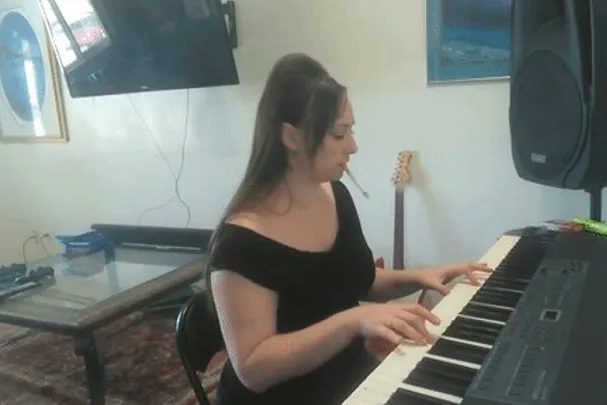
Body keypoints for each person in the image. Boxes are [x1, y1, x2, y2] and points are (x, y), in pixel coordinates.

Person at [205, 53, 491, 405]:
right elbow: (253, 367)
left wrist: (423, 275)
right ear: (291, 137)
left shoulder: (334, 193)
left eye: (351, 130)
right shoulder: (240, 242)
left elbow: (361, 280)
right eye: (340, 133)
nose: (353, 146)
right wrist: (353, 321)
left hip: (350, 382)